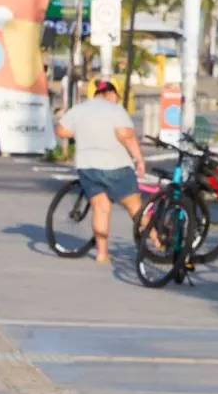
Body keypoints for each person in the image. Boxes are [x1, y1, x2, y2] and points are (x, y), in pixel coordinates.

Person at [54, 79, 149, 263]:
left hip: (87, 167)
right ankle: (159, 243)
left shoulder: (80, 109)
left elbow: (61, 130)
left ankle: (102, 254)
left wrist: (83, 133)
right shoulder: (115, 110)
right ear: (111, 94)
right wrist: (139, 159)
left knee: (100, 208)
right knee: (135, 209)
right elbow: (126, 136)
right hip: (116, 166)